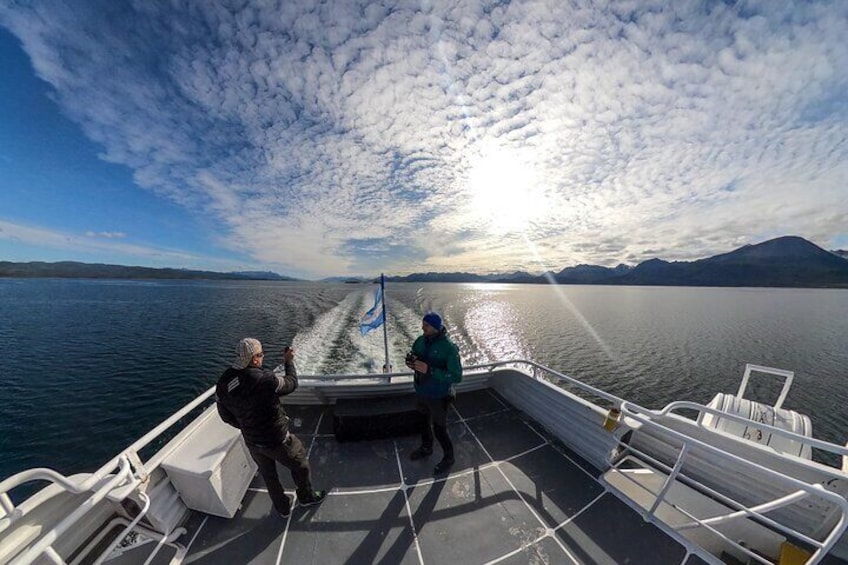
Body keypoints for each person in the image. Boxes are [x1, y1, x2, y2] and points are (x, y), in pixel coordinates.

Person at [216, 338, 326, 517]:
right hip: (278, 440)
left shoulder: (223, 382)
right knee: (301, 465)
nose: (262, 357)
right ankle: (306, 497)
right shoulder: (264, 379)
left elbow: (225, 416)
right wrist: (288, 361)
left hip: (253, 443)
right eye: (260, 354)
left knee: (269, 477)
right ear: (253, 359)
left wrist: (246, 425)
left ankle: (282, 508)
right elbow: (291, 383)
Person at [405, 312, 463, 474]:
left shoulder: (449, 348)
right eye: (423, 324)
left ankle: (449, 457)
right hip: (421, 391)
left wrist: (430, 370)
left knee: (439, 429)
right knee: (422, 423)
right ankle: (426, 448)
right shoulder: (420, 341)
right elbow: (415, 355)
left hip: (439, 396)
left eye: (426, 326)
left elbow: (457, 376)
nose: (422, 328)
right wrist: (411, 363)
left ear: (436, 328)